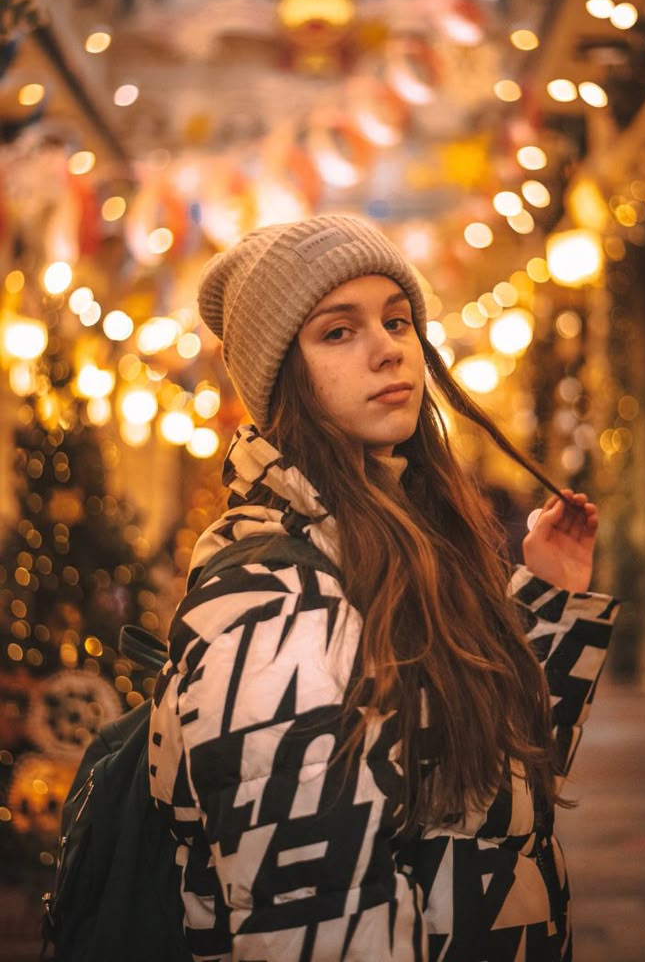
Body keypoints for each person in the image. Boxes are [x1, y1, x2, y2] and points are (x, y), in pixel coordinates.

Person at [150, 214, 618, 962]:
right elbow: (316, 922)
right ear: (281, 379)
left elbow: (484, 812)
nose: (388, 347)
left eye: (396, 319)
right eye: (338, 331)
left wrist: (547, 608)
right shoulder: (277, 610)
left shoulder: (401, 545)